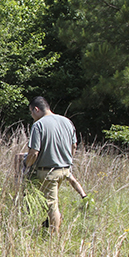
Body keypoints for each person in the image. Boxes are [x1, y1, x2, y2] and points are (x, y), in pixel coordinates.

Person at [23, 96, 80, 233]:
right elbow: (74, 146)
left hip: (48, 172)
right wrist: (65, 160)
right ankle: (48, 227)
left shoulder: (39, 125)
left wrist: (26, 164)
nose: (32, 116)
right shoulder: (67, 121)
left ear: (36, 109)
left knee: (51, 205)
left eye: (31, 112)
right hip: (65, 170)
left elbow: (34, 153)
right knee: (50, 202)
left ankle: (54, 239)